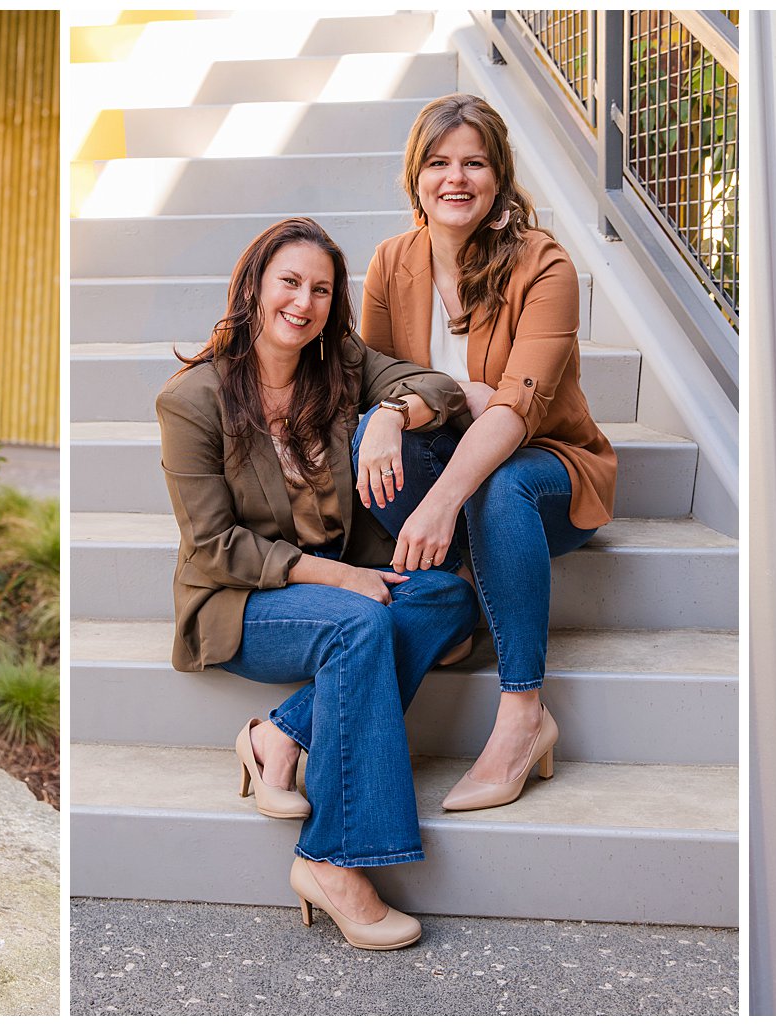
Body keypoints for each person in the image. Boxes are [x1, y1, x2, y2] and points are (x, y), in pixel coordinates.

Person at [157, 216, 476, 951]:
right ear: (254, 289)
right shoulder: (193, 400)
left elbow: (442, 387)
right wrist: (339, 576)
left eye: (322, 289)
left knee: (448, 597)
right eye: (290, 283)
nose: (304, 303)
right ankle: (333, 860)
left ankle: (281, 732)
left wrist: (392, 415)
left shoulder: (342, 370)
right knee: (356, 623)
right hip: (241, 600)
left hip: (335, 594)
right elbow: (211, 545)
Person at [356, 93, 618, 812]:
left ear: (499, 177)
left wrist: (443, 500)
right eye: (439, 163)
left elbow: (516, 409)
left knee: (499, 487)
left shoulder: (546, 265)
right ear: (416, 176)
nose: (456, 178)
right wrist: (388, 412)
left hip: (551, 470)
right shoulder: (390, 263)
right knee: (367, 437)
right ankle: (465, 580)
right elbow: (377, 378)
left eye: (474, 163)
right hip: (450, 464)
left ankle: (524, 713)